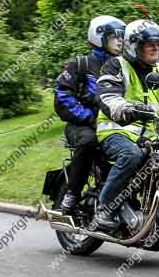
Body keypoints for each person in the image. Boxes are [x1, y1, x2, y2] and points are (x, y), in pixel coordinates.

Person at [93, 19, 159, 231]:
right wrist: (127, 108)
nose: (155, 47)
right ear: (134, 45)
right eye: (149, 43)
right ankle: (104, 207)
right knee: (132, 155)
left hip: (147, 137)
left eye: (158, 43)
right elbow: (107, 96)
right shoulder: (116, 65)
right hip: (115, 131)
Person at [54, 15, 126, 214]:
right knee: (89, 141)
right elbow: (62, 97)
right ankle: (73, 193)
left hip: (114, 125)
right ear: (98, 37)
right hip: (82, 125)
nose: (120, 41)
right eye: (114, 37)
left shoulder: (123, 67)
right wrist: (90, 118)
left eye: (122, 37)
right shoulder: (81, 64)